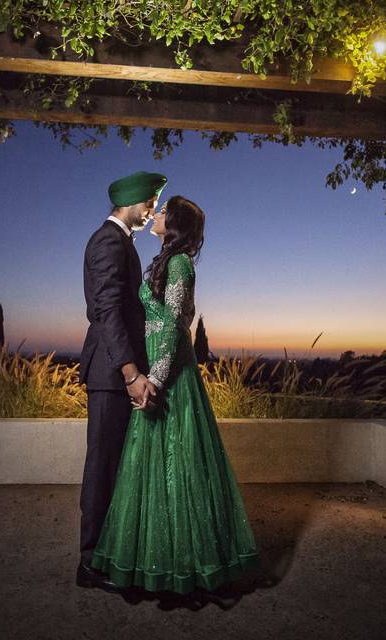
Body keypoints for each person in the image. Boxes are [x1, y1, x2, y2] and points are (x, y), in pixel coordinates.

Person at [89, 195, 260, 595]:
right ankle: (155, 560)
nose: (157, 214)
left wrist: (156, 381)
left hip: (169, 377)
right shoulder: (168, 260)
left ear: (176, 222)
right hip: (153, 368)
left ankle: (182, 566)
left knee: (178, 466)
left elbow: (173, 328)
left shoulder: (180, 263)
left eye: (164, 211)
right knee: (154, 469)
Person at [76, 171, 167, 593]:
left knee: (117, 466)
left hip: (118, 372)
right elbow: (107, 312)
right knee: (104, 466)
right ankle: (91, 563)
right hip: (112, 375)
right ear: (131, 202)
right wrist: (130, 373)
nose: (152, 210)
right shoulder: (108, 242)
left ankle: (114, 554)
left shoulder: (122, 244)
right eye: (150, 202)